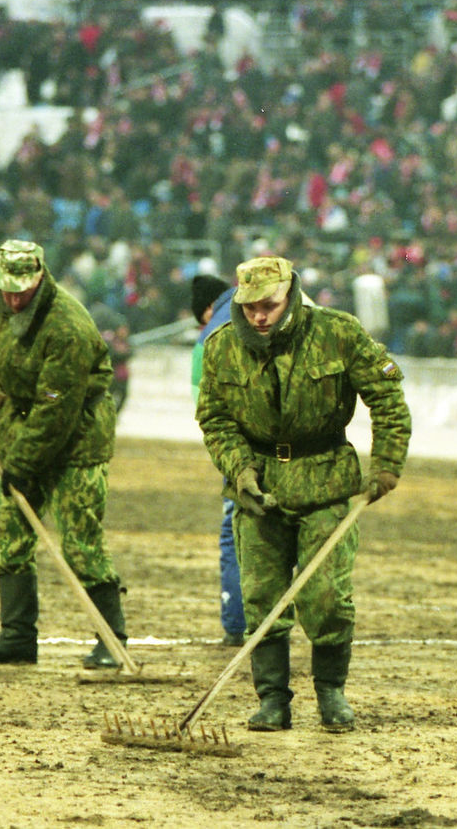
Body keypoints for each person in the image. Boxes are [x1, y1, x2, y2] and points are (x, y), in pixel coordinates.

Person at [196, 255, 412, 733]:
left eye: (269, 305)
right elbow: (215, 420)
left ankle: (331, 692)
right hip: (259, 486)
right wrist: (240, 469)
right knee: (262, 597)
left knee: (326, 598)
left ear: (290, 294)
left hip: (326, 481)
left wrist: (387, 465)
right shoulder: (221, 348)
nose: (258, 316)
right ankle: (272, 699)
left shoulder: (339, 332)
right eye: (249, 306)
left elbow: (388, 397)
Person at [0, 239, 127, 668]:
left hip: (76, 442)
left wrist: (23, 466)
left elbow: (55, 410)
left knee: (81, 541)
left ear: (41, 278)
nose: (13, 298)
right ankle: (18, 636)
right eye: (6, 290)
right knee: (8, 532)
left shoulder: (68, 327)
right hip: (23, 431)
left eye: (21, 291)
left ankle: (112, 640)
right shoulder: (3, 306)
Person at [190, 272, 246, 647]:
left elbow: (205, 409)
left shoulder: (210, 335)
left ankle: (237, 625)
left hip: (243, 453)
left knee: (236, 532)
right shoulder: (270, 309)